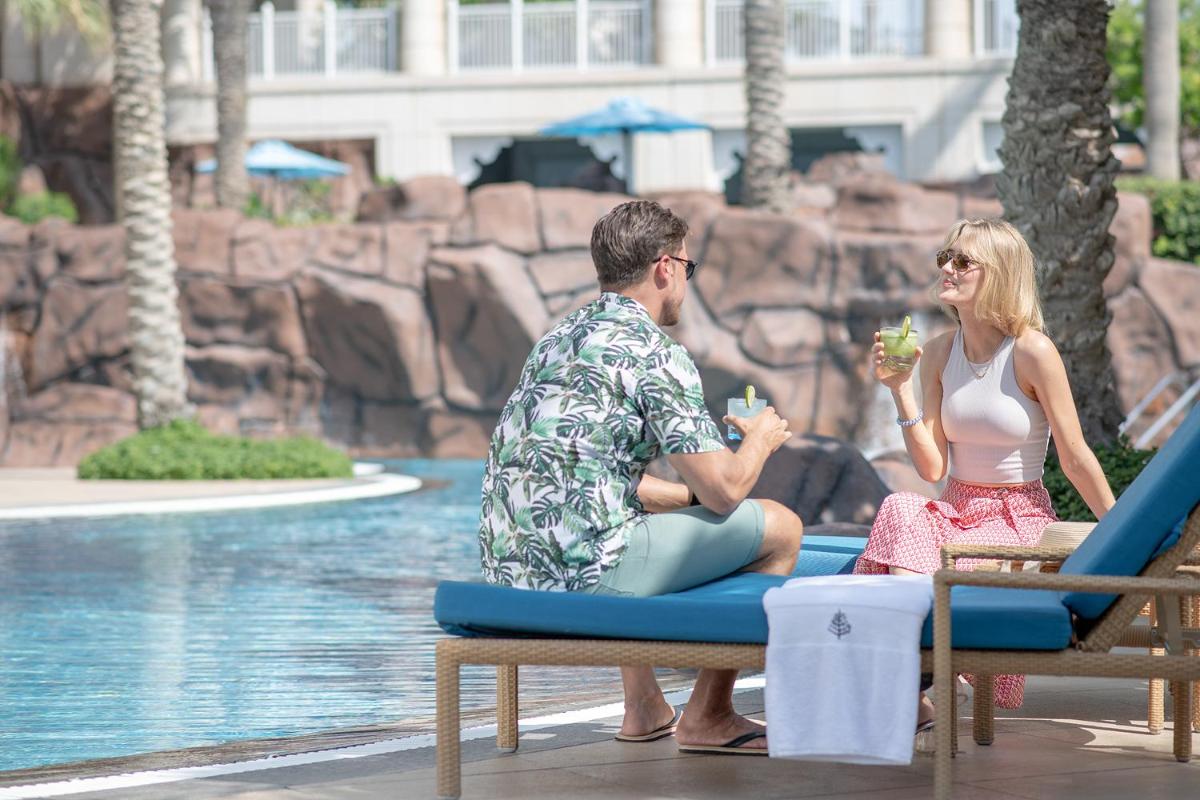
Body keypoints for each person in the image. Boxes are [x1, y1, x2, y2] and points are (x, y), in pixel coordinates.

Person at [479, 200, 804, 754]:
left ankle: (645, 706)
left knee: (622, 521)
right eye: (688, 268)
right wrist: (760, 439)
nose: (685, 283)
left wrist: (684, 500)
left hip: (507, 575)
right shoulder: (654, 353)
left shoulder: (558, 339)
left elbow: (591, 477)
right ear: (665, 267)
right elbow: (725, 491)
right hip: (584, 579)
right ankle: (709, 715)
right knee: (780, 528)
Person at [853, 218, 1116, 719]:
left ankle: (916, 677)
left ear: (998, 274)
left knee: (947, 562)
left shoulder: (1032, 350)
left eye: (962, 261)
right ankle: (921, 677)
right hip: (956, 510)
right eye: (944, 258)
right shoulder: (937, 351)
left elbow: (1075, 456)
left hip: (1017, 517)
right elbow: (932, 467)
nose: (947, 268)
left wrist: (1124, 533)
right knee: (901, 506)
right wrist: (900, 390)